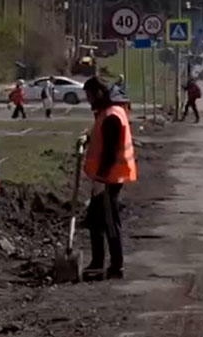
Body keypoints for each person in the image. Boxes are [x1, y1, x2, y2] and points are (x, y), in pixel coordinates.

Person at [81, 76, 138, 281]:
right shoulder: (107, 112)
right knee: (95, 221)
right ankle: (97, 262)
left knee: (109, 222)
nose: (87, 99)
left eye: (88, 95)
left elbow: (110, 153)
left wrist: (100, 180)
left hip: (109, 178)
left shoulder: (112, 116)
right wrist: (87, 138)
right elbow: (101, 138)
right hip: (107, 177)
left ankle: (116, 266)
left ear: (98, 92)